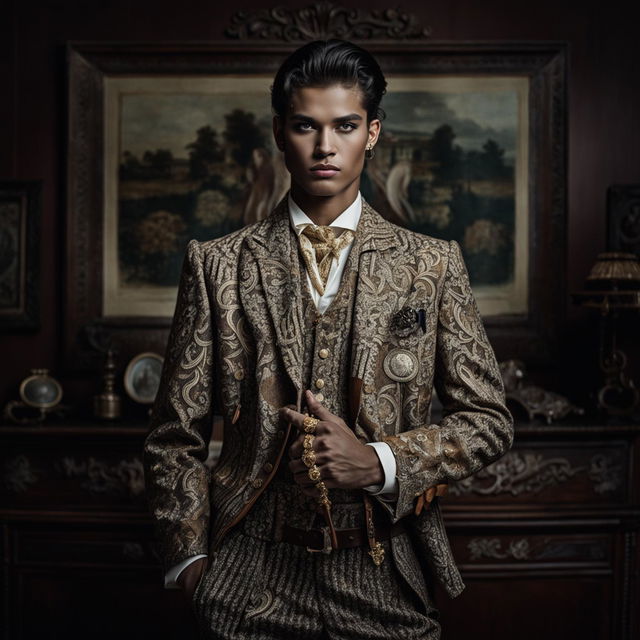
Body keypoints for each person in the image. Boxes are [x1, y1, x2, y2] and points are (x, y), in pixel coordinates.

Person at [143, 39, 513, 639]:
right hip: (247, 573)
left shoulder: (433, 265)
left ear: (372, 132)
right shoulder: (217, 265)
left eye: (344, 125)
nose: (324, 147)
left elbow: (489, 420)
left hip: (383, 567)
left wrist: (378, 462)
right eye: (305, 127)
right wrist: (192, 564)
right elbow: (173, 437)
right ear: (279, 133)